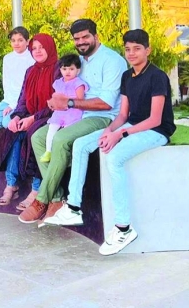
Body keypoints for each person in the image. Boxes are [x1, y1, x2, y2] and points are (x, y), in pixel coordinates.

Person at [43, 29, 177, 256]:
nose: (131, 53)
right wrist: (108, 130)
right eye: (128, 49)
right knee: (81, 144)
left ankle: (124, 228)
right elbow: (123, 115)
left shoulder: (157, 76)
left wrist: (120, 135)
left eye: (137, 49)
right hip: (130, 124)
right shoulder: (127, 76)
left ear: (148, 50)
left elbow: (155, 119)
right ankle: (73, 207)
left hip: (156, 131)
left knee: (113, 158)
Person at [19, 19, 127, 224]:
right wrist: (55, 101)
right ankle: (57, 199)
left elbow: (106, 103)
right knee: (38, 137)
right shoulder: (77, 62)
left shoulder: (112, 61)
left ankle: (41, 199)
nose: (81, 42)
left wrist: (68, 103)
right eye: (77, 39)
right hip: (74, 115)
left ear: (96, 36)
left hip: (102, 117)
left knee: (60, 139)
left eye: (85, 37)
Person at [0, 33, 59, 211]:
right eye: (34, 48)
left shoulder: (58, 69)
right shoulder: (31, 71)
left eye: (42, 47)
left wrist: (32, 118)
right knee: (13, 131)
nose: (37, 51)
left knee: (34, 133)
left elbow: (57, 103)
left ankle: (36, 189)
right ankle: (11, 184)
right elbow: (23, 100)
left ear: (50, 48)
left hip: (53, 116)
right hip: (31, 115)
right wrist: (17, 117)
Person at [40, 54, 87, 163]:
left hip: (73, 112)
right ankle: (48, 151)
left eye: (71, 69)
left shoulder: (78, 83)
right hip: (59, 112)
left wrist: (66, 101)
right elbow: (56, 96)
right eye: (64, 69)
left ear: (78, 70)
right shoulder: (58, 83)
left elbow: (80, 100)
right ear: (60, 70)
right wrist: (52, 102)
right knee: (52, 129)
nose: (67, 72)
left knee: (65, 134)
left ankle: (67, 156)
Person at [0, 27, 36, 132]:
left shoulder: (32, 59)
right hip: (8, 100)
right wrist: (8, 103)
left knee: (6, 123)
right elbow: (6, 81)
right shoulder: (7, 58)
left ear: (27, 42)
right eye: (13, 40)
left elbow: (27, 88)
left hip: (22, 101)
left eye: (20, 40)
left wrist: (13, 105)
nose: (16, 43)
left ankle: (22, 117)